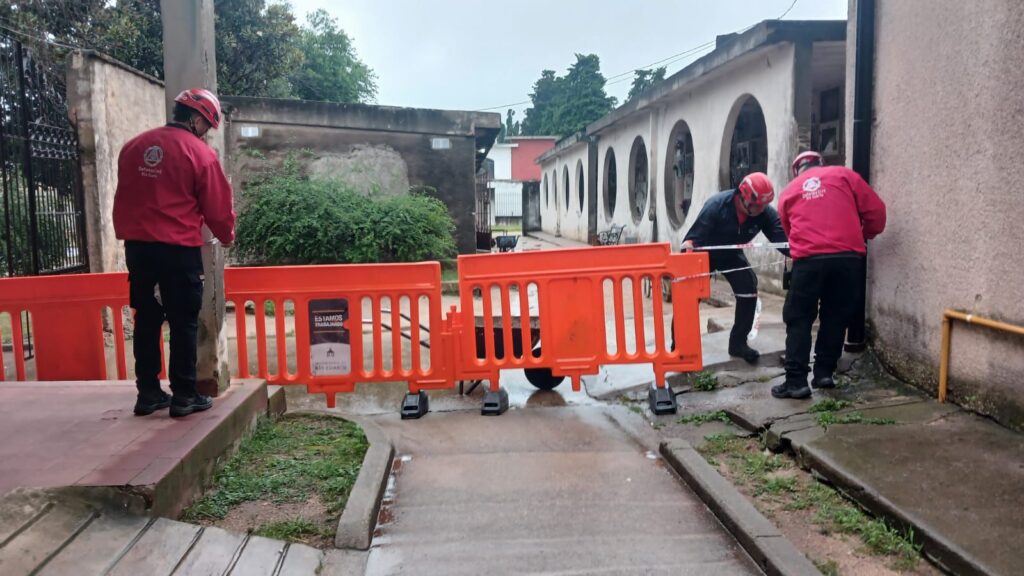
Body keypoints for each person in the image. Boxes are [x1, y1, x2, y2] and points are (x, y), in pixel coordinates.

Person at [113, 88, 236, 417]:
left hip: (138, 249)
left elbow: (124, 195)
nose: (206, 134)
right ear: (196, 120)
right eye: (207, 126)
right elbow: (217, 207)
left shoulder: (133, 147)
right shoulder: (199, 154)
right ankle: (184, 395)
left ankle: (148, 394)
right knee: (183, 322)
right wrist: (226, 236)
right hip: (178, 250)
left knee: (147, 320)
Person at [772, 151, 886, 399]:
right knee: (835, 316)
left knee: (799, 318)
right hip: (847, 259)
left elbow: (789, 231)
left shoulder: (789, 191)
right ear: (821, 163)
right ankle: (824, 373)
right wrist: (863, 234)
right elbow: (877, 212)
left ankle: (796, 382)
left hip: (808, 261)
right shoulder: (845, 175)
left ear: (796, 170)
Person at [680, 172, 788, 363]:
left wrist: (803, 250)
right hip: (704, 255)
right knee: (688, 297)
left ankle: (738, 343)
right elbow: (693, 239)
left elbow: (782, 239)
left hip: (732, 255)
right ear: (744, 197)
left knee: (748, 289)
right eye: (758, 206)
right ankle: (679, 347)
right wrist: (687, 257)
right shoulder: (716, 206)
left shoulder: (764, 213)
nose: (762, 210)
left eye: (765, 205)